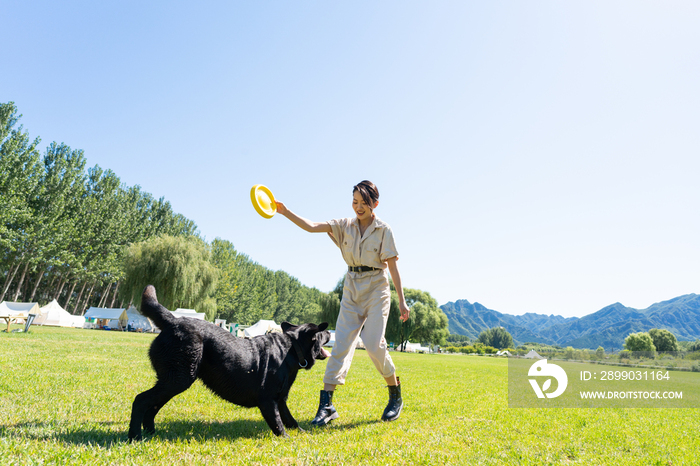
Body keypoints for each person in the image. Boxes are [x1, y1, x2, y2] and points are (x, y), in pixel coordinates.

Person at [275, 180, 410, 425]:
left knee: (373, 343)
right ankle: (327, 404)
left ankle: (394, 394)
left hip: (377, 287)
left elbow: (392, 266)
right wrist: (285, 212)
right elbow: (312, 226)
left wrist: (402, 301)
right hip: (352, 287)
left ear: (375, 204)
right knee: (341, 345)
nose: (358, 207)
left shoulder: (384, 230)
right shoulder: (344, 226)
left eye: (364, 203)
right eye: (355, 201)